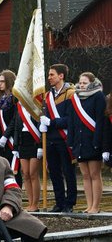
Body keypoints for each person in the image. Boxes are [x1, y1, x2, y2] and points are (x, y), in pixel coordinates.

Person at [39, 64, 77, 213]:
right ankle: (59, 202)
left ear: (61, 76)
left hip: (65, 139)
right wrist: (42, 123)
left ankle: (70, 203)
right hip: (51, 139)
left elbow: (71, 119)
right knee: (54, 172)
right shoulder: (48, 95)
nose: (49, 78)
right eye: (49, 75)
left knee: (69, 172)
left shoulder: (71, 94)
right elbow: (43, 115)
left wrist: (52, 123)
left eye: (52, 75)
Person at [69, 72, 106, 214]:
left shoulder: (98, 97)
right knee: (84, 175)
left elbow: (100, 121)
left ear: (92, 83)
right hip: (80, 142)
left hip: (93, 141)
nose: (82, 85)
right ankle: (89, 205)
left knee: (95, 174)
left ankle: (96, 206)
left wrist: (98, 142)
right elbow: (72, 122)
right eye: (80, 82)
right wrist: (71, 141)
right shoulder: (75, 98)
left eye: (85, 83)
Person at [13, 75, 42, 212]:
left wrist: (41, 145)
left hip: (34, 140)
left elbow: (40, 124)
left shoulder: (36, 103)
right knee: (25, 173)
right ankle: (30, 203)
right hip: (23, 141)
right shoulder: (19, 105)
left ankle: (35, 204)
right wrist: (16, 146)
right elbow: (16, 126)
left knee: (33, 173)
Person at [0, 70, 20, 184]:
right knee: (2, 170)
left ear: (9, 82)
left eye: (2, 81)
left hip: (11, 140)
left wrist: (5, 136)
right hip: (1, 141)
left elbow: (15, 120)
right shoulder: (0, 99)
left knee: (13, 170)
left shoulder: (15, 99)